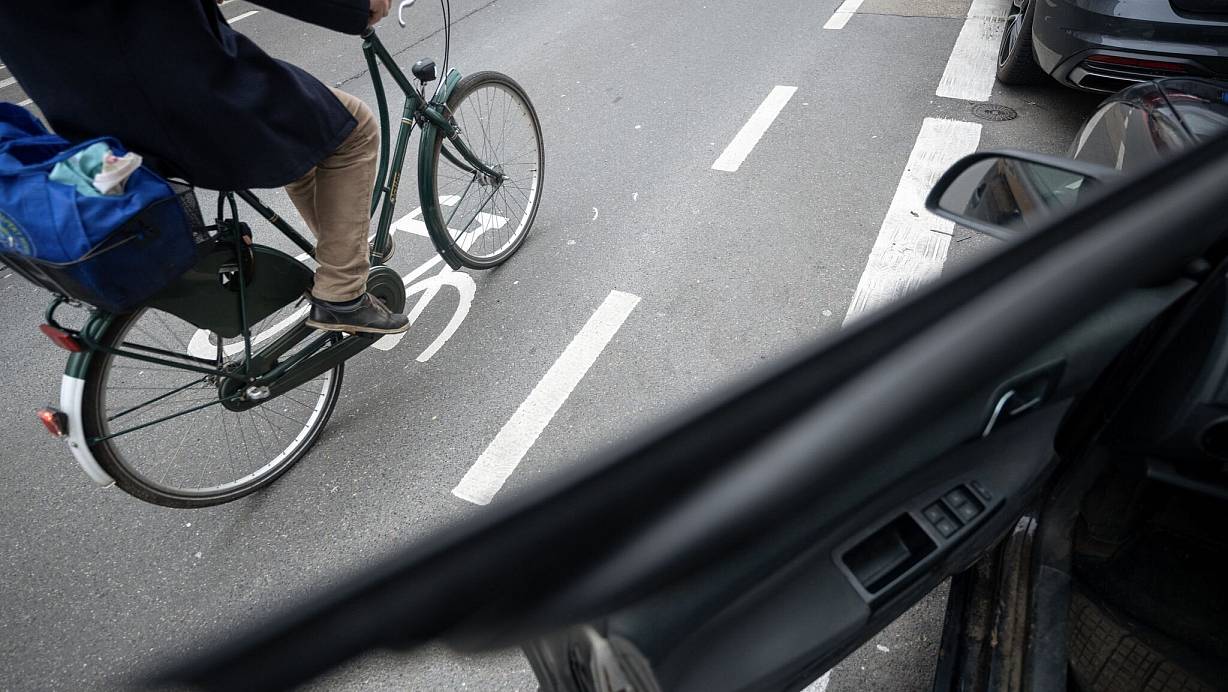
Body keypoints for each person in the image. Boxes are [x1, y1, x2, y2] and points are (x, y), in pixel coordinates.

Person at [0, 0, 410, 335]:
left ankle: (344, 250)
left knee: (308, 140)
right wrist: (354, 6)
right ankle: (342, 293)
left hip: (90, 122)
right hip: (180, 92)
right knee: (353, 129)